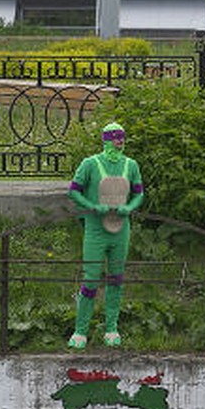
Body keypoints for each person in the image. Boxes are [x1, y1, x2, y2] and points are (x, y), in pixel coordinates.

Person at [66, 121, 144, 350]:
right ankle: (80, 331)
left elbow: (139, 194)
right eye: (115, 136)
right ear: (106, 139)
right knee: (90, 278)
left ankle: (111, 327)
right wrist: (91, 206)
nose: (120, 140)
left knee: (116, 278)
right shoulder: (90, 164)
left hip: (121, 230)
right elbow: (73, 191)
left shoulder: (131, 165)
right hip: (95, 230)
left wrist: (130, 208)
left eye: (122, 136)